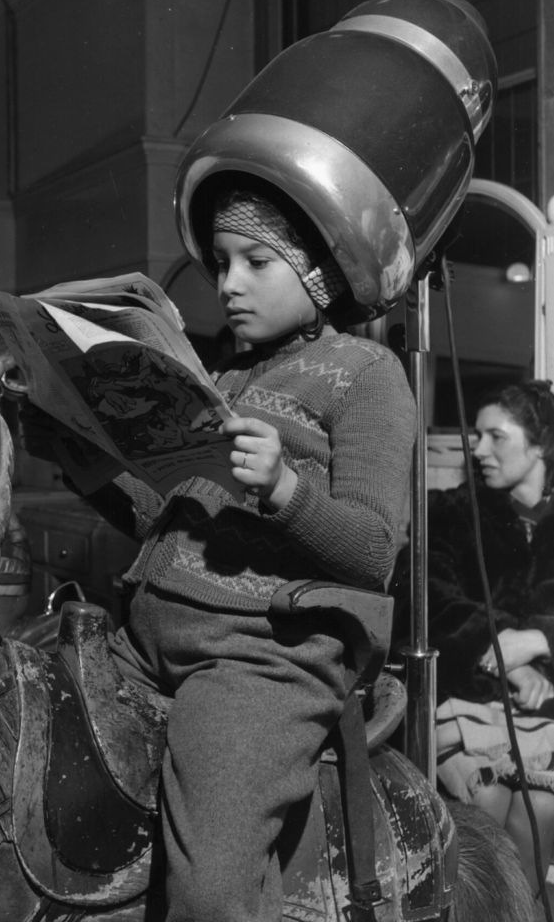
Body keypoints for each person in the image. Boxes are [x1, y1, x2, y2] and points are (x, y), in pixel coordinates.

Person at [23, 172, 416, 921]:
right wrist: (83, 460)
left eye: (255, 262)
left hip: (258, 660)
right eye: (221, 264)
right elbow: (164, 520)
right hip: (144, 638)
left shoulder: (367, 375)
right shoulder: (225, 375)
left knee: (208, 895)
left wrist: (283, 490)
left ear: (318, 271)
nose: (230, 284)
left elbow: (373, 549)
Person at [390, 379, 554, 891]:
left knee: (542, 805)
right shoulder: (450, 514)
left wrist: (542, 641)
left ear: (541, 443)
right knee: (486, 803)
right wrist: (504, 648)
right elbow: (428, 597)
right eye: (475, 436)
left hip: (545, 709)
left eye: (495, 436)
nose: (478, 450)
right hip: (467, 697)